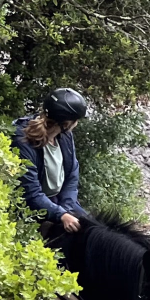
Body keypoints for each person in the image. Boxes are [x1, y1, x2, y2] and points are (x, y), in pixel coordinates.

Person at [13, 87, 90, 234]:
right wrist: (60, 215)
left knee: (94, 231)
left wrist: (66, 210)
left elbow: (72, 173)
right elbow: (30, 193)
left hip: (60, 202)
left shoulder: (65, 135)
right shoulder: (22, 141)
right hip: (33, 207)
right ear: (67, 123)